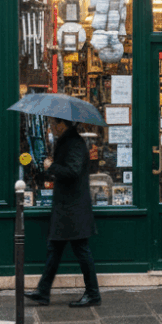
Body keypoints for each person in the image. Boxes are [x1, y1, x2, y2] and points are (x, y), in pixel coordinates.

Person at [24, 117, 100, 307]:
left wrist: (52, 166)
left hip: (73, 207)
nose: (51, 128)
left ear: (62, 125)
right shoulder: (68, 140)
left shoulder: (74, 143)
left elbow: (73, 171)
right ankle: (43, 292)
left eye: (52, 125)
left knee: (81, 250)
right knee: (54, 249)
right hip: (67, 206)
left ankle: (93, 294)